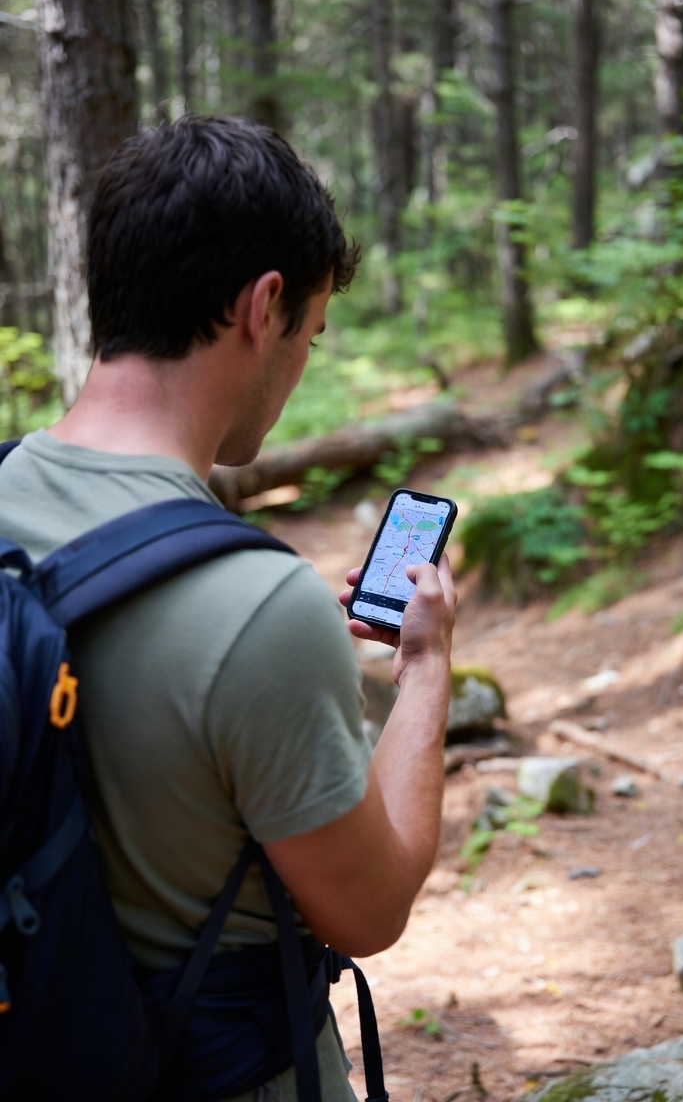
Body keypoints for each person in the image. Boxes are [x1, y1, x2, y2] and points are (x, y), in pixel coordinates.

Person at [0, 115, 456, 1101]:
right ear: (262, 307)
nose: (301, 363)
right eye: (313, 331)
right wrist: (423, 671)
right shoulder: (259, 606)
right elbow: (367, 911)